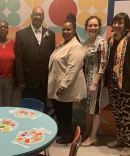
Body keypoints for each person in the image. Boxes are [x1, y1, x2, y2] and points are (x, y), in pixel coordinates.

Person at [105, 13, 130, 156]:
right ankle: (120, 140)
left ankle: (129, 144)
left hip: (127, 85)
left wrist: (125, 72)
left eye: (120, 23)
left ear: (126, 25)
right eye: (115, 22)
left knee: (125, 116)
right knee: (117, 114)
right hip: (112, 85)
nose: (116, 25)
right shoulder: (110, 40)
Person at [48, 13, 87, 144]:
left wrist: (62, 86)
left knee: (64, 112)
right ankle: (65, 132)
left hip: (64, 87)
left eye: (68, 29)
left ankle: (68, 135)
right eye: (64, 29)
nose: (65, 31)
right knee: (60, 112)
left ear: (74, 30)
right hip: (57, 85)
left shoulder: (76, 46)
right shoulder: (63, 43)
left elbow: (72, 69)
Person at [14, 7, 55, 111]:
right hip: (27, 81)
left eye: (40, 15)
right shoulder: (20, 34)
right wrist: (20, 80)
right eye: (36, 14)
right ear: (31, 16)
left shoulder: (50, 34)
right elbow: (18, 59)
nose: (38, 17)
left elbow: (52, 59)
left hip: (44, 80)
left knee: (42, 108)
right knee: (27, 109)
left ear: (43, 17)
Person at [80, 16, 109, 146]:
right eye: (90, 25)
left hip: (95, 81)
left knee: (95, 109)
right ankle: (87, 131)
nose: (92, 28)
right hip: (85, 80)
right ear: (86, 27)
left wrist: (95, 83)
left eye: (95, 25)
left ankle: (93, 137)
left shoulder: (102, 43)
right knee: (87, 108)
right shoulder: (85, 43)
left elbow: (103, 64)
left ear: (99, 27)